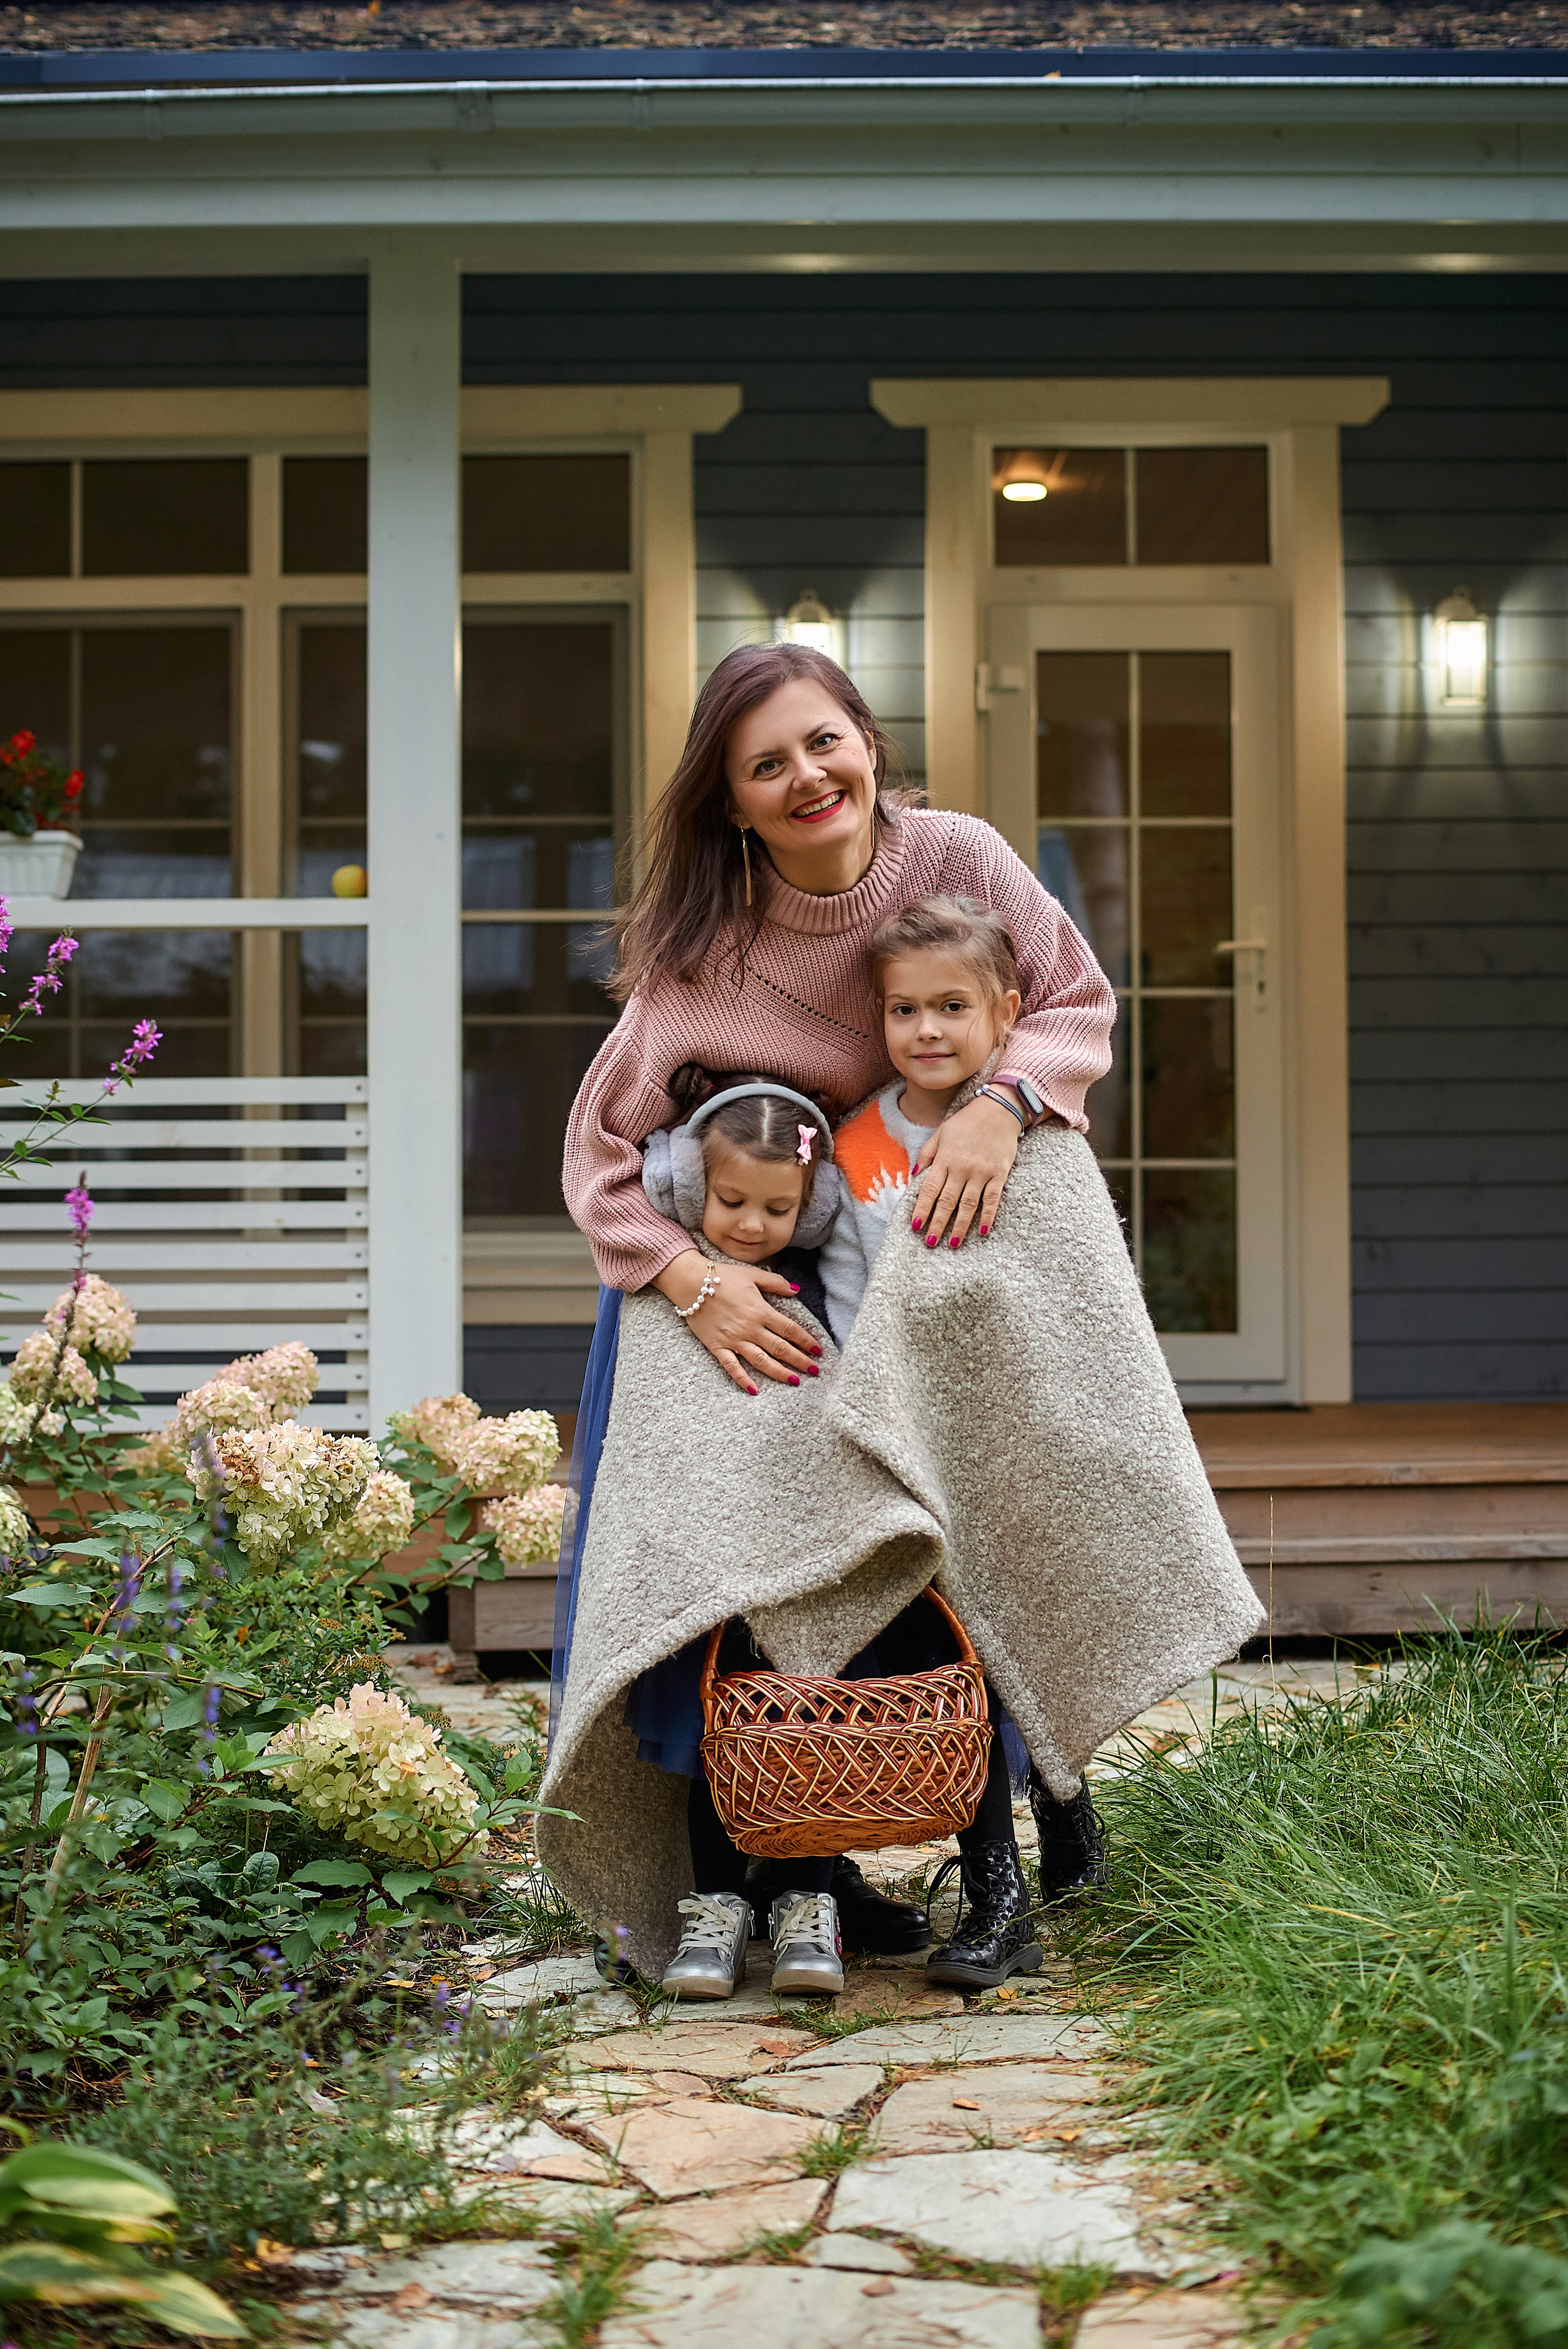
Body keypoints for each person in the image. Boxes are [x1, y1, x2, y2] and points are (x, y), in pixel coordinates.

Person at [552, 641, 1121, 1984]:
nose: (806, 776)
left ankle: (1030, 1812)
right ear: (732, 805)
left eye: (822, 741)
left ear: (866, 739)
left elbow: (1074, 1002)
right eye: (765, 765)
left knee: (953, 1508)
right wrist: (687, 1279)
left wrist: (1000, 1103)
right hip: (758, 1275)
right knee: (769, 1538)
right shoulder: (707, 953)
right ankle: (792, 1855)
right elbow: (597, 1149)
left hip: (928, 1222)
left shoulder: (961, 858)